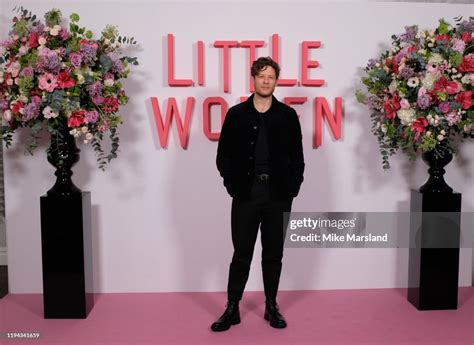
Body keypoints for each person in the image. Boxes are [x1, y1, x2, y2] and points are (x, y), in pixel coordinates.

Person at [212, 57, 305, 331]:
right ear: (253, 79)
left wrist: (292, 189)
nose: (266, 81)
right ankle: (232, 308)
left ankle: (271, 306)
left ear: (277, 81)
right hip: (246, 194)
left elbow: (298, 159)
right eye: (261, 76)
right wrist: (233, 185)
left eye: (271, 77)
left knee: (273, 253)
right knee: (241, 252)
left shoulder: (287, 116)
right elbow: (223, 157)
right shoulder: (236, 114)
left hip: (277, 195)